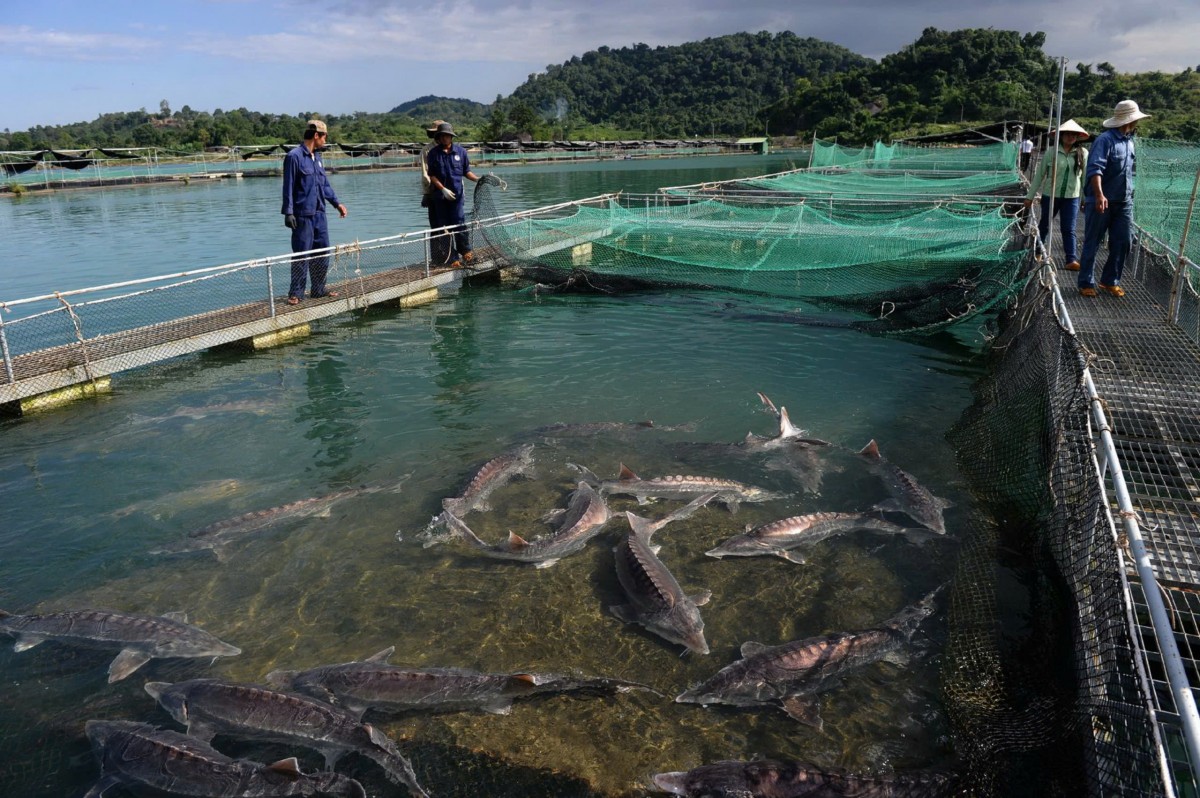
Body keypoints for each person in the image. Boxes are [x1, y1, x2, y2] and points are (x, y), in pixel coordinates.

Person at [1077, 99, 1150, 298]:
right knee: (1093, 241)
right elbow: (1095, 169)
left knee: (1124, 240)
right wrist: (1099, 195)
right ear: (1130, 120)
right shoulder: (1105, 140)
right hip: (1102, 200)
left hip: (1124, 201)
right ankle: (1086, 282)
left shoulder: (1129, 141)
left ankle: (1110, 280)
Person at [281, 119, 347, 305]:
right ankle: (296, 293)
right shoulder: (294, 157)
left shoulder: (317, 157)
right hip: (303, 215)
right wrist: (288, 212)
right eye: (325, 136)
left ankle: (318, 289)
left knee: (322, 251)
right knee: (302, 253)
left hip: (319, 213)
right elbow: (288, 186)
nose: (326, 140)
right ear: (316, 135)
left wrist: (336, 203)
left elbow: (324, 184)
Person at [1023, 119, 1089, 271]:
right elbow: (1039, 175)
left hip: (1072, 197)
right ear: (1062, 135)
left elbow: (1084, 177)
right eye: (1067, 134)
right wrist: (1030, 196)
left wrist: (1085, 198)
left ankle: (1071, 259)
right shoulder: (1051, 152)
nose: (1070, 137)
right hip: (1050, 195)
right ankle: (1038, 251)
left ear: (1077, 137)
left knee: (1069, 228)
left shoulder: (1083, 153)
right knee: (1044, 224)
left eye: (1073, 135)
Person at [425, 122, 480, 268]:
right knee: (444, 227)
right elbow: (432, 176)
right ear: (438, 138)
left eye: (447, 136)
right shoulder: (433, 154)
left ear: (451, 137)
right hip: (440, 196)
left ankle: (466, 251)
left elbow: (466, 172)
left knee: (460, 223)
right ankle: (451, 257)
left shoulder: (461, 152)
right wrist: (442, 189)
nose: (445, 139)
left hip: (457, 196)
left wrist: (476, 179)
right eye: (442, 136)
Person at [419, 119, 451, 266]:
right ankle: (437, 258)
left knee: (451, 224)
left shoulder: (451, 148)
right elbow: (426, 174)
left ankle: (450, 255)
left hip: (451, 194)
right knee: (436, 225)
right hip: (434, 193)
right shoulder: (427, 150)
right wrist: (427, 193)